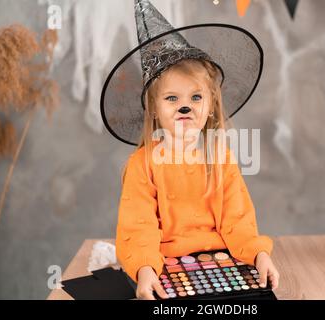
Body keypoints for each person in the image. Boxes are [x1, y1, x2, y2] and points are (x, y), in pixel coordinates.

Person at [101, 0, 279, 300]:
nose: (185, 106)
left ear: (211, 105)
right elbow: (138, 224)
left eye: (196, 97)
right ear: (154, 109)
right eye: (172, 98)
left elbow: (238, 219)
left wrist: (259, 255)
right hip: (164, 265)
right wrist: (144, 269)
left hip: (222, 260)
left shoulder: (220, 157)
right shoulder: (143, 164)